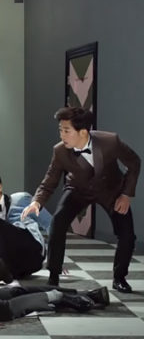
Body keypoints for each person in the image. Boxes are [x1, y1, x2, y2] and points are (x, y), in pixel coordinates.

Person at [22, 107, 140, 292]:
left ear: (83, 132)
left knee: (127, 235)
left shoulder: (110, 142)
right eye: (60, 130)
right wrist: (36, 202)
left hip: (111, 190)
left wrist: (126, 194)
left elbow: (134, 162)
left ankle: (119, 278)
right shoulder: (60, 151)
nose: (61, 135)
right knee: (58, 222)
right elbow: (50, 180)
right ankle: (53, 276)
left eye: (66, 130)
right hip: (78, 189)